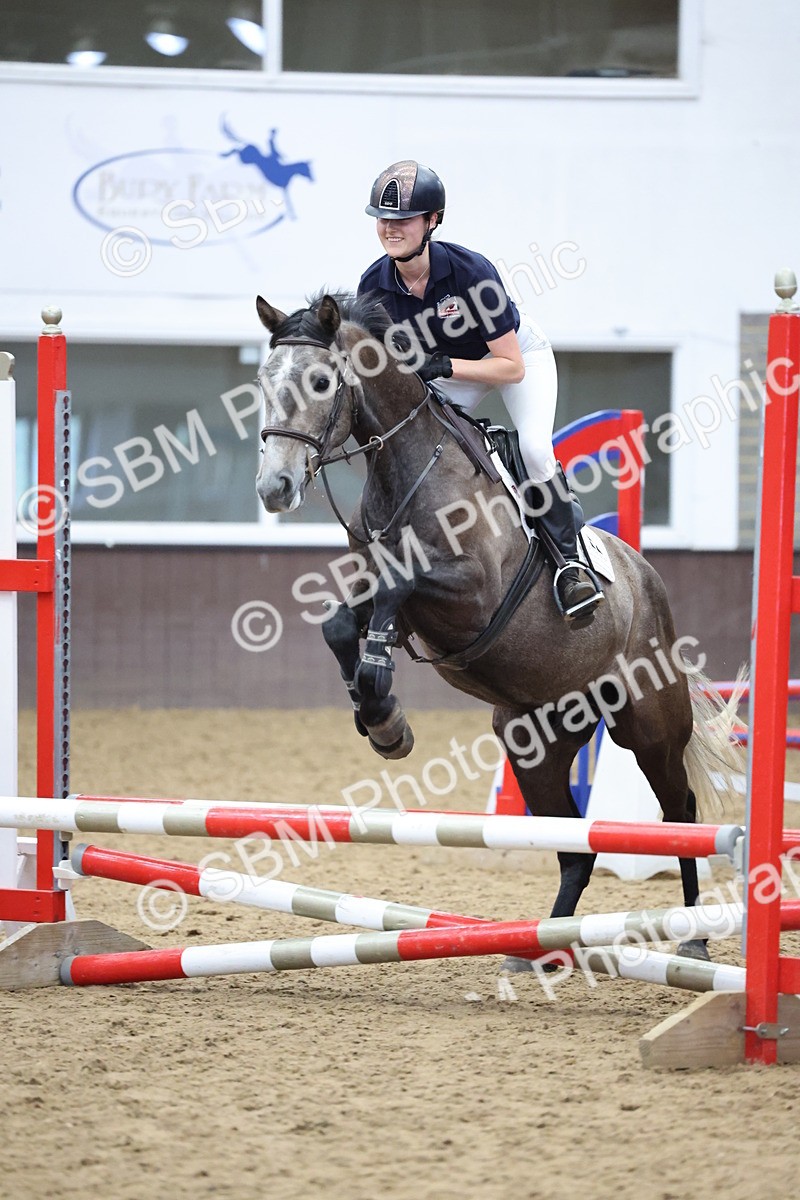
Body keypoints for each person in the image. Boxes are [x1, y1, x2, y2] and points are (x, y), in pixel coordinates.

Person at [357, 158, 603, 623]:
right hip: (444, 371)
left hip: (515, 358)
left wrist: (444, 364)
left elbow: (509, 368)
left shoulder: (471, 273)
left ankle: (572, 565)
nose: (390, 229)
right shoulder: (373, 285)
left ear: (432, 221)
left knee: (532, 447)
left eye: (403, 220)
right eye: (383, 220)